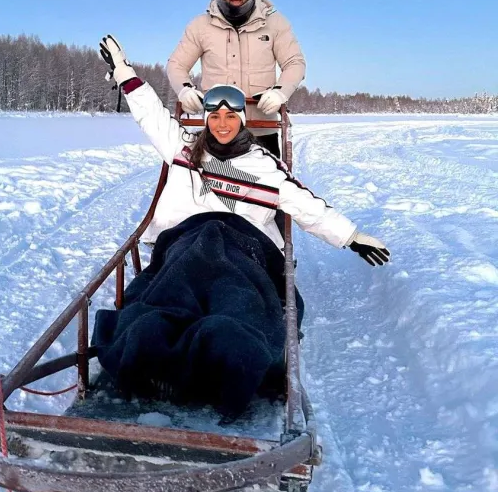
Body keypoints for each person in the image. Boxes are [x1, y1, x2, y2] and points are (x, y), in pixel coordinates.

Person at [94, 36, 390, 419]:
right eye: (214, 117)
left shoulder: (264, 165)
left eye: (230, 116)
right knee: (164, 298)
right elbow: (149, 111)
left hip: (243, 249)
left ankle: (224, 354)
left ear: (241, 120)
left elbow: (303, 203)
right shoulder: (182, 147)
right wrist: (124, 73)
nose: (221, 124)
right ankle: (156, 350)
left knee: (237, 301)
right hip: (186, 242)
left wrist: (351, 236)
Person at [167, 0, 306, 156]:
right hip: (217, 129)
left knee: (267, 184)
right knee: (212, 185)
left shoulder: (276, 23)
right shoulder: (200, 26)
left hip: (262, 128)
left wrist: (280, 93)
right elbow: (176, 64)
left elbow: (295, 63)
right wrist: (184, 90)